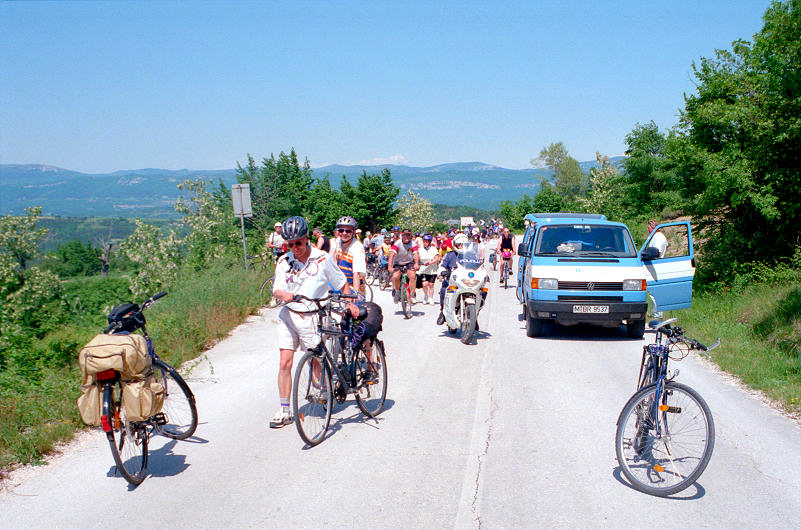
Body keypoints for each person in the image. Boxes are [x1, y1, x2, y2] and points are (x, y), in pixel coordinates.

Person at [270, 216, 354, 428]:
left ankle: (323, 388)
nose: (294, 248)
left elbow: (342, 283)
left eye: (298, 242)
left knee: (315, 361)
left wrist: (348, 303)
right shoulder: (284, 261)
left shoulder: (323, 259)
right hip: (289, 314)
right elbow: (277, 288)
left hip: (313, 315)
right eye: (290, 244)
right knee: (284, 362)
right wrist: (284, 295)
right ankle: (285, 410)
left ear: (307, 239)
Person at [331, 216, 367, 297]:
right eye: (341, 230)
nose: (344, 233)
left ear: (353, 232)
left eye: (348, 231)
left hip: (353, 285)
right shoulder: (338, 241)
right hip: (341, 282)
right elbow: (335, 260)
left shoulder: (357, 247)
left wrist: (355, 294)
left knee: (351, 307)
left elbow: (356, 274)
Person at [436, 233, 467, 325]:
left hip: (466, 282)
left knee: (482, 291)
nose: (461, 246)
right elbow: (442, 265)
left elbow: (478, 265)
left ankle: (474, 315)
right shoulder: (449, 255)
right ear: (455, 245)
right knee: (444, 289)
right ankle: (443, 311)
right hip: (452, 282)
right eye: (459, 244)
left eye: (463, 245)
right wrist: (442, 271)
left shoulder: (471, 255)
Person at [388, 228, 419, 304]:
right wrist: (390, 267)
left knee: (412, 276)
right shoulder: (397, 243)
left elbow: (416, 254)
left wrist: (416, 263)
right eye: (405, 235)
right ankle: (397, 291)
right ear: (402, 236)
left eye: (409, 235)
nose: (407, 237)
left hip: (409, 262)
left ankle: (412, 295)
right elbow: (391, 255)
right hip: (398, 262)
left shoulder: (413, 243)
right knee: (395, 276)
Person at [417, 234, 441, 304]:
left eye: (427, 241)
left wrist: (430, 262)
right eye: (424, 241)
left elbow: (436, 258)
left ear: (430, 242)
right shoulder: (420, 249)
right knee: (424, 284)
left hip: (432, 270)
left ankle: (431, 298)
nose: (425, 243)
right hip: (424, 269)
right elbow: (417, 257)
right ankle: (425, 295)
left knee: (431, 285)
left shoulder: (434, 249)